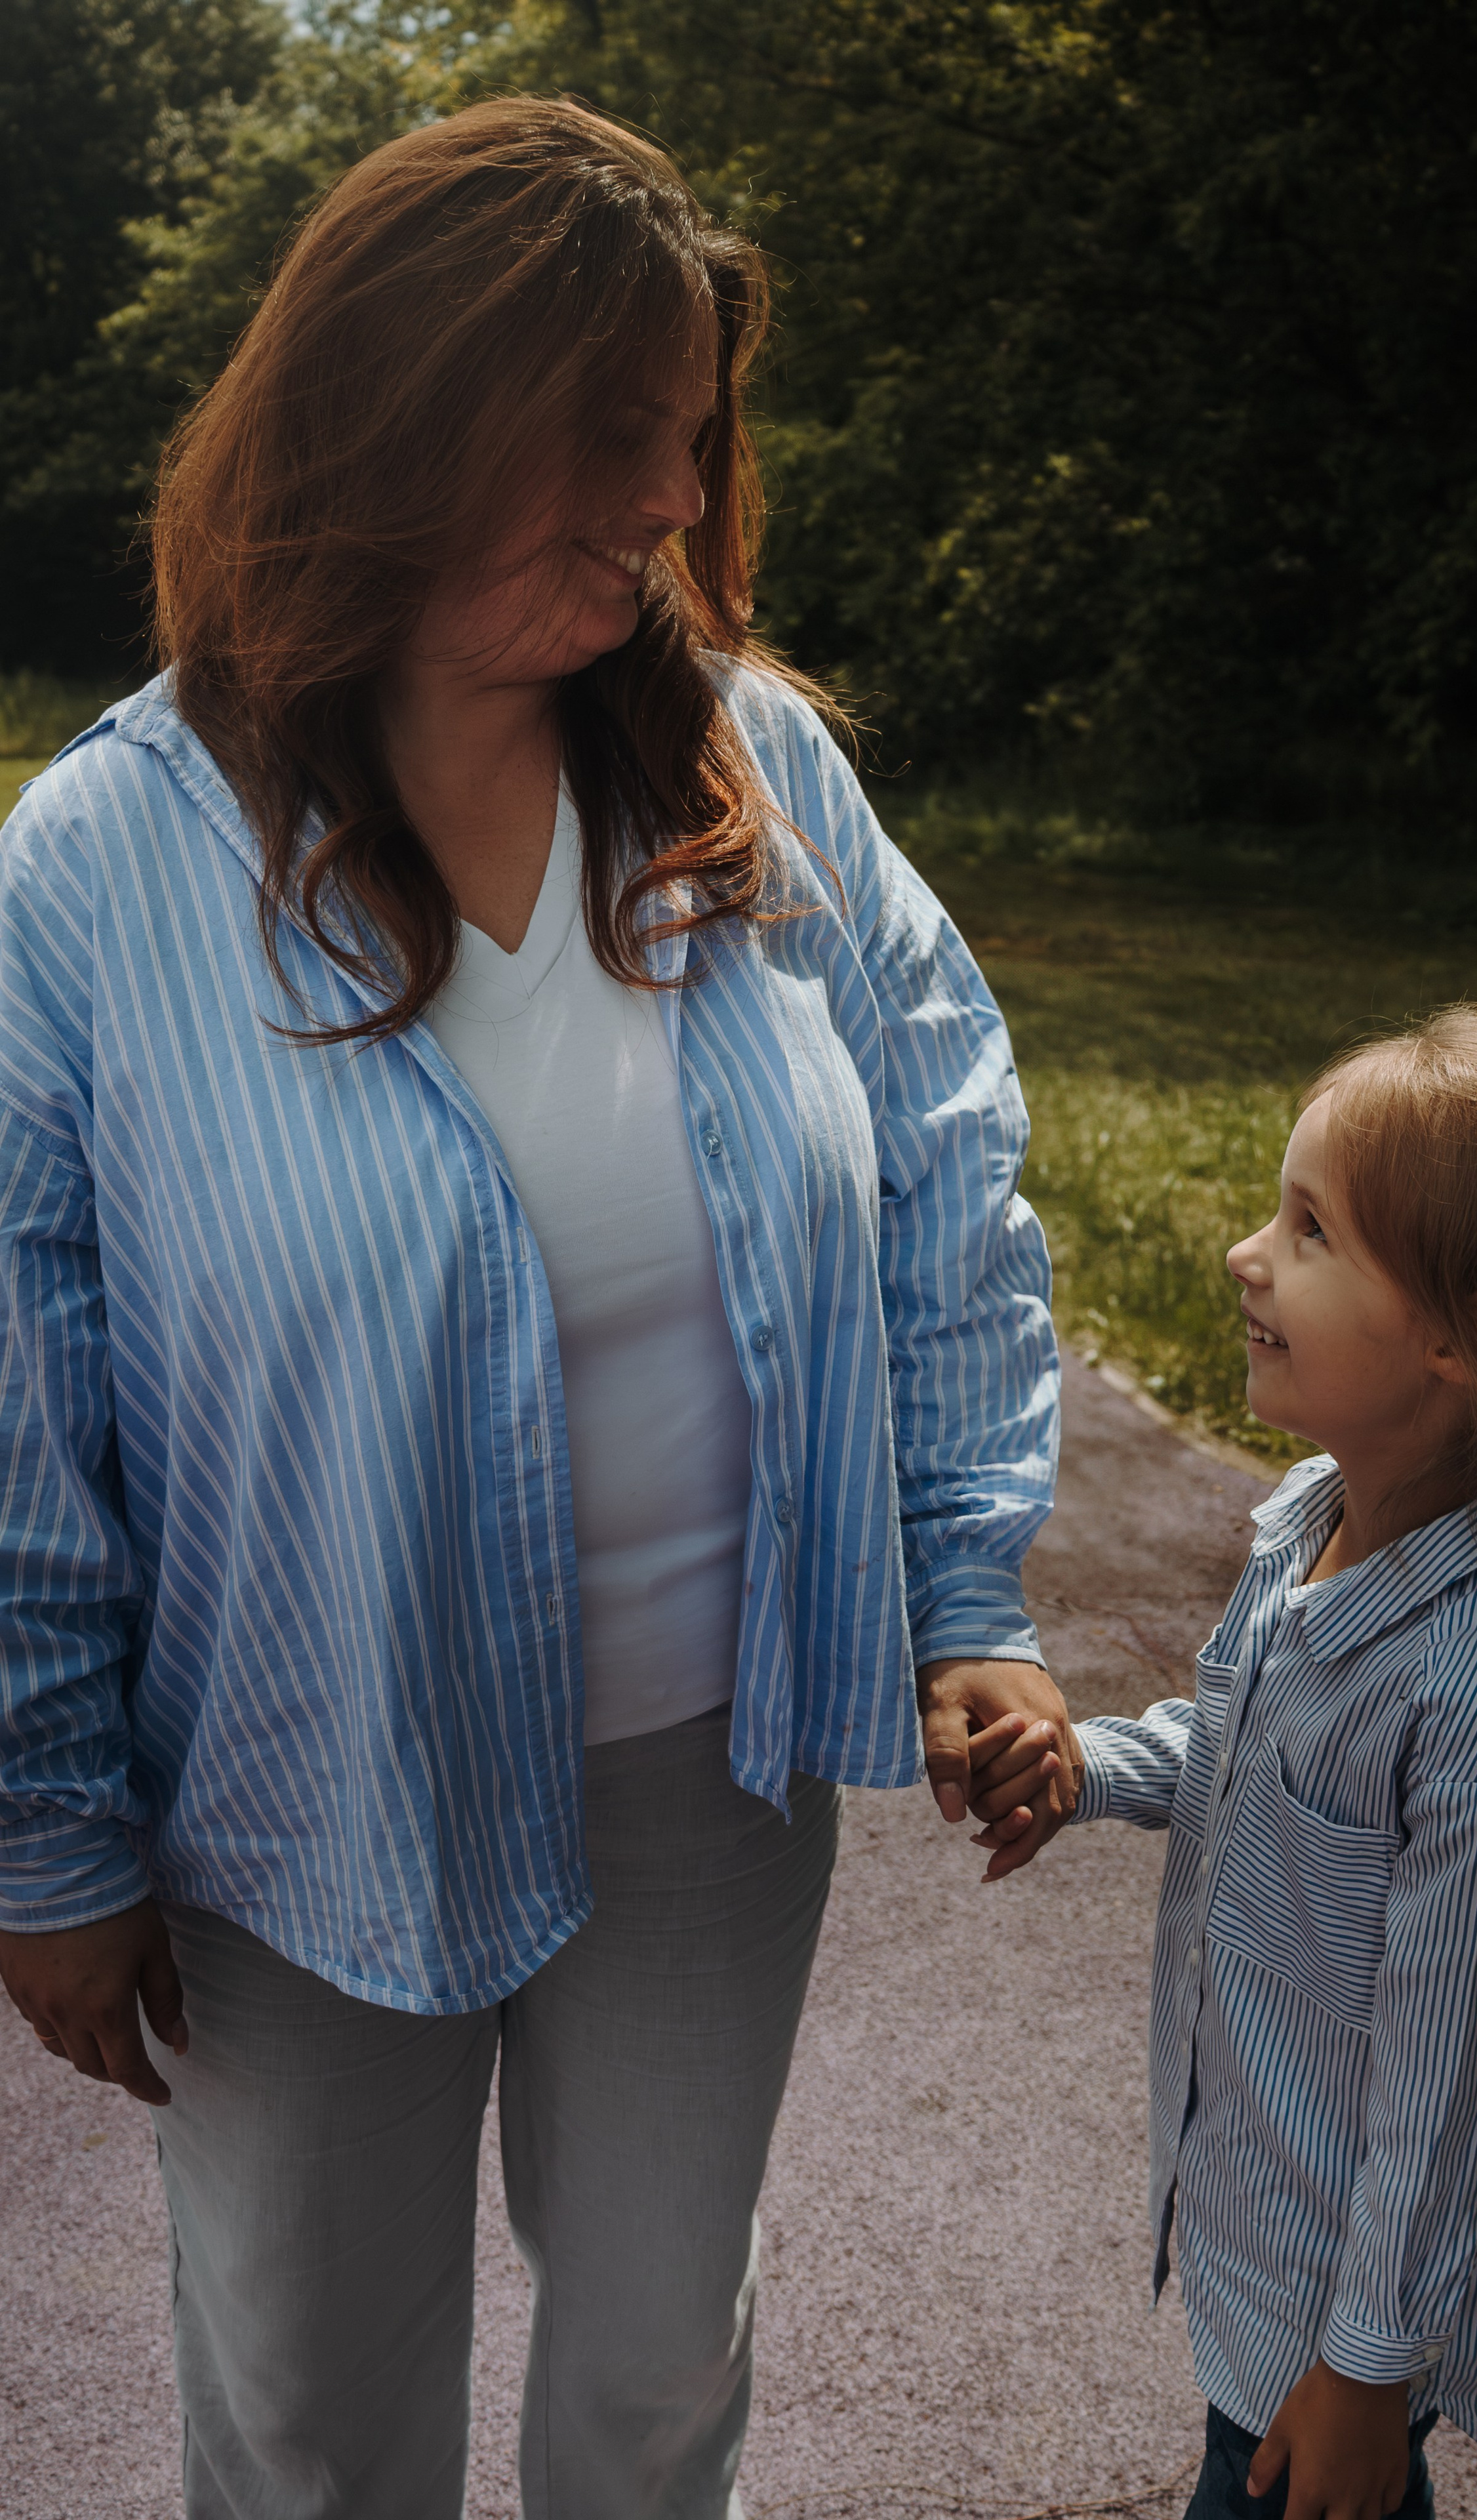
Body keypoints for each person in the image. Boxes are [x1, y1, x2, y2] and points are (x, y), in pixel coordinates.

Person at [0, 99, 1074, 2520]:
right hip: (302, 1781)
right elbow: (15, 1383)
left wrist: (973, 1572)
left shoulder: (756, 766)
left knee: (657, 2366)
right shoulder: (101, 867)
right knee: (306, 2406)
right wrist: (48, 1828)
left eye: (693, 437)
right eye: (615, 431)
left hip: (709, 1768)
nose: (678, 496)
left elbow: (948, 1159)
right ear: (410, 414)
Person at [967, 1005, 1477, 2518]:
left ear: (1467, 1338)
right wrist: (1087, 1763)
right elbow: (1238, 1743)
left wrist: (1362, 2370)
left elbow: (1440, 2093)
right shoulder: (1312, 1517)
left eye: (1308, 1229)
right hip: (1258, 2226)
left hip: (1332, 2318)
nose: (1243, 1252)